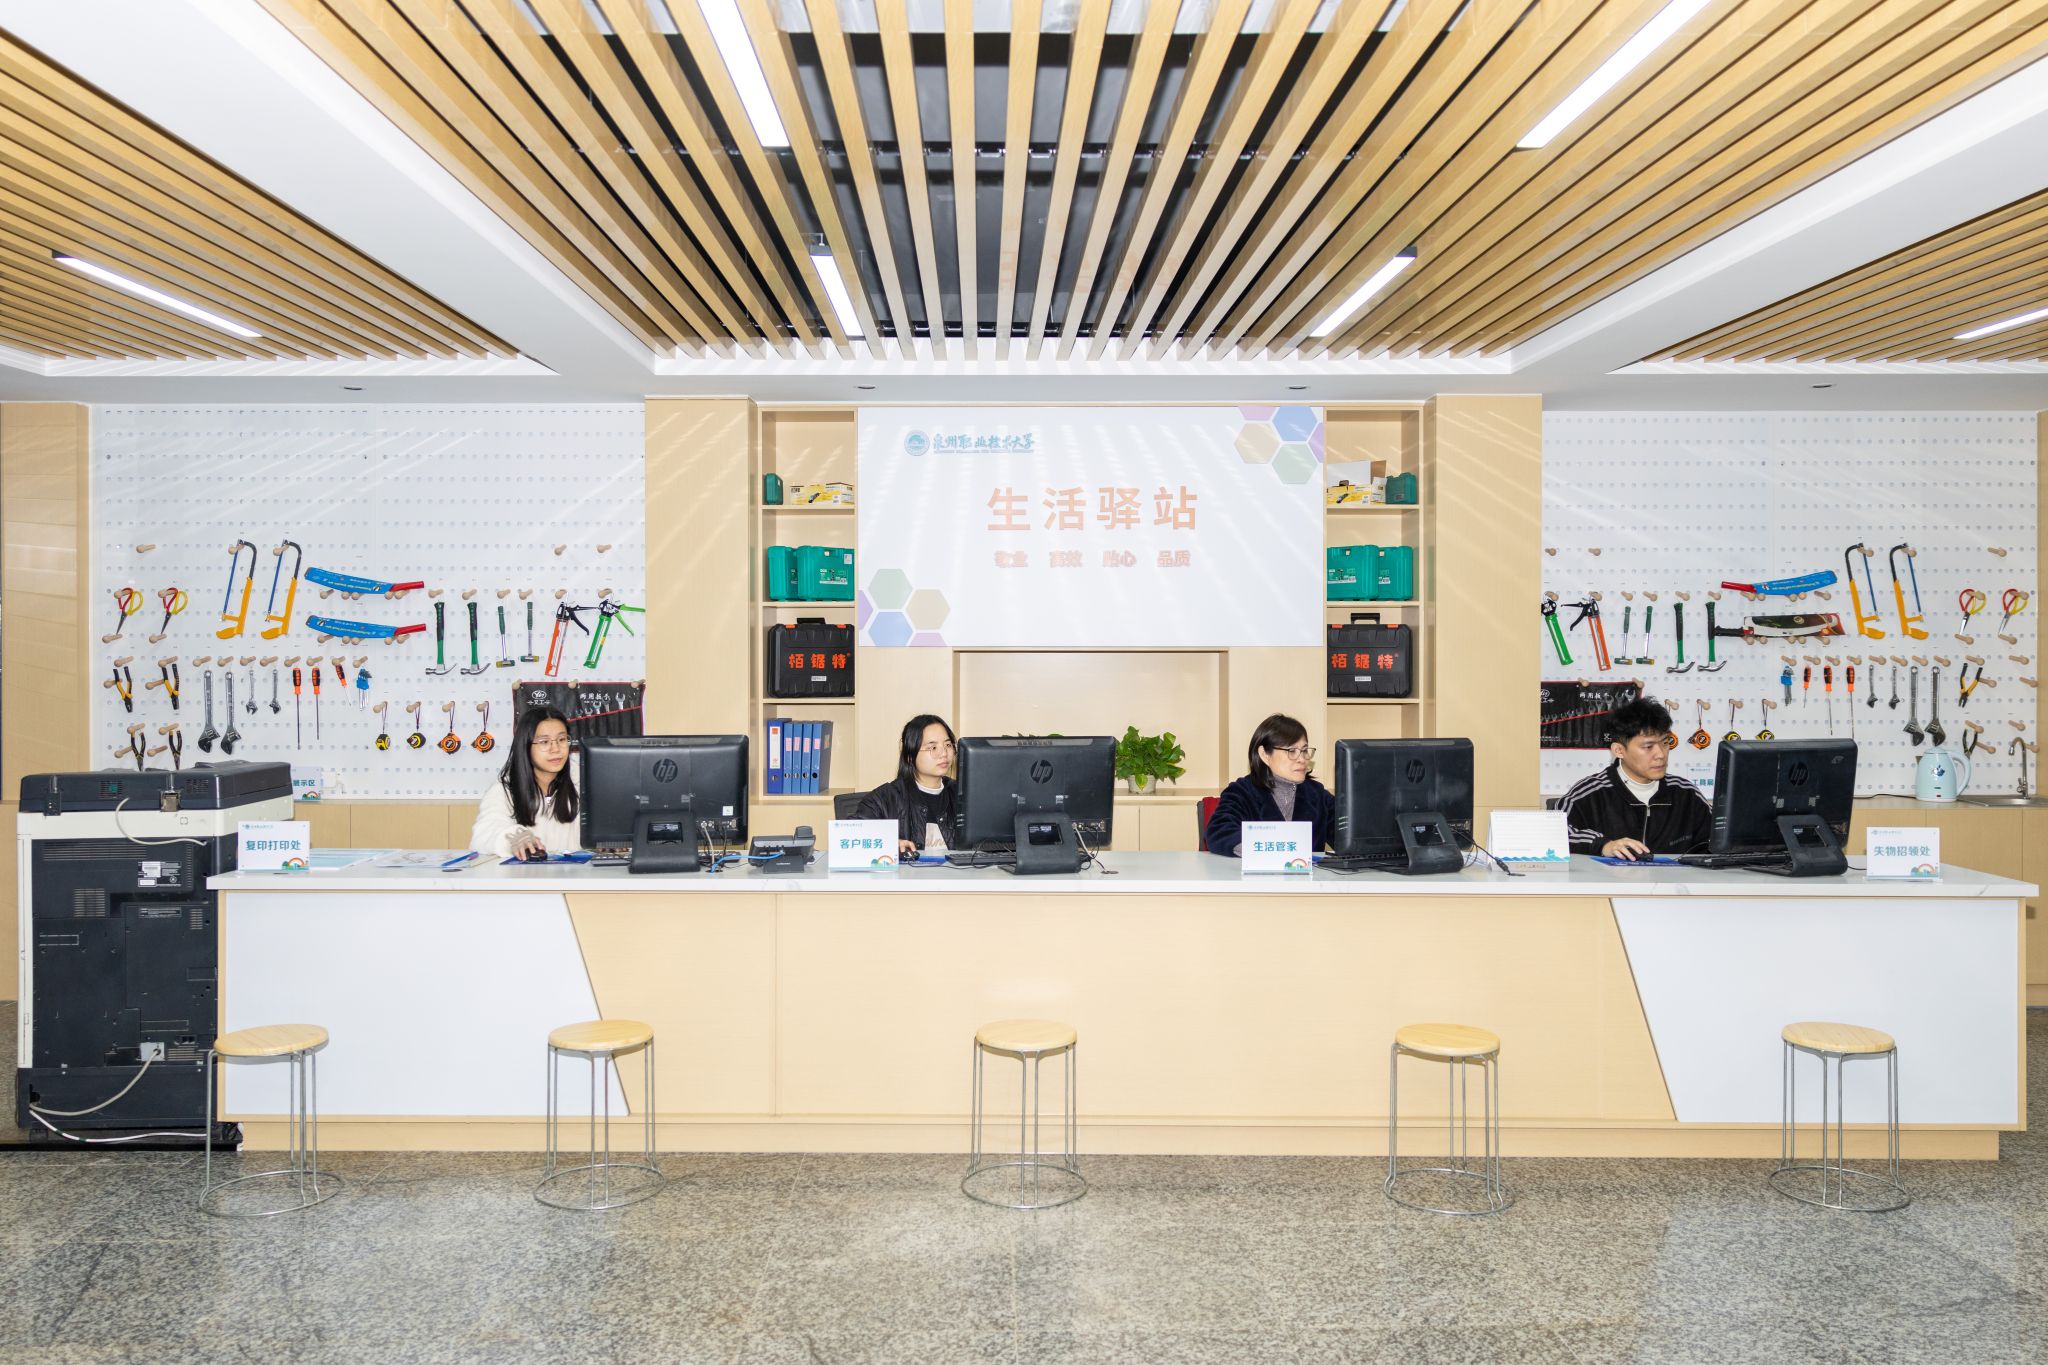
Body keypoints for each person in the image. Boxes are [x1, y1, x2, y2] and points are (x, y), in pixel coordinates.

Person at [1560, 698, 1711, 859]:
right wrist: (1604, 845)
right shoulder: (1588, 795)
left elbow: (1718, 841)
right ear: (1619, 750)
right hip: (1610, 876)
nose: (1661, 754)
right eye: (1648, 746)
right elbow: (1555, 834)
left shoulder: (1686, 794)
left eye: (1665, 743)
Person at [1205, 713, 1335, 857]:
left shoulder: (1317, 794)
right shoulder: (1241, 791)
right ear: (1265, 754)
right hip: (1255, 872)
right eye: (1292, 751)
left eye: (1304, 750)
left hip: (1309, 872)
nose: (1302, 759)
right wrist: (1272, 851)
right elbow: (1220, 831)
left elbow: (1347, 836)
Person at [470, 706, 582, 861]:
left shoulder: (584, 783)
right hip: (525, 876)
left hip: (578, 875)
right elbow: (485, 832)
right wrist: (514, 838)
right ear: (526, 745)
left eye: (562, 739)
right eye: (544, 742)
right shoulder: (505, 789)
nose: (556, 749)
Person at [854, 714, 960, 859]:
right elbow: (851, 836)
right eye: (933, 747)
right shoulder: (884, 799)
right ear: (910, 756)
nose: (944, 753)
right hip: (907, 874)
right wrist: (888, 844)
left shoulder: (965, 795)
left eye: (948, 745)